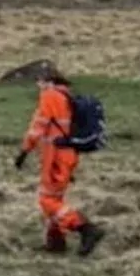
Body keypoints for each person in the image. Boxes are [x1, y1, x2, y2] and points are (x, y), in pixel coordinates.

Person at [14, 68, 106, 256]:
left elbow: (38, 126)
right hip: (66, 154)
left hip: (55, 157)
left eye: (39, 81)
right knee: (56, 199)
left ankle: (85, 228)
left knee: (47, 200)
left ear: (49, 81)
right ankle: (56, 241)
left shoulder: (50, 96)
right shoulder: (65, 97)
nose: (38, 85)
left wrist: (25, 150)